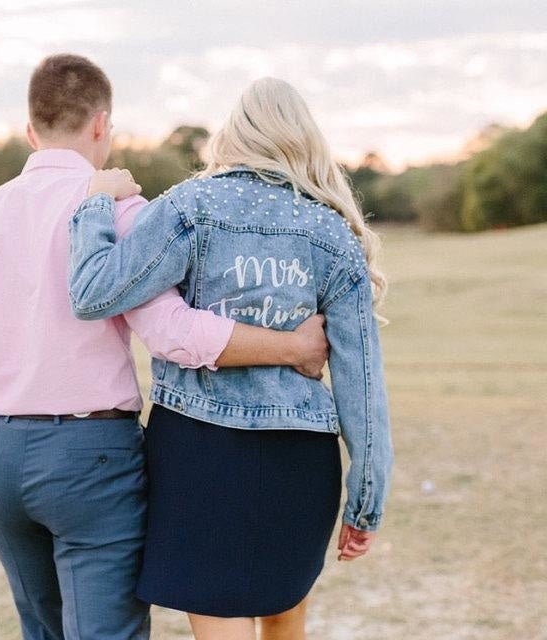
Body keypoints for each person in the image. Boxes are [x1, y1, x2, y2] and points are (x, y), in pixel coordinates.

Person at [0, 58, 329, 640]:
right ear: (101, 124)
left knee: (42, 629)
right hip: (89, 453)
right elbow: (172, 333)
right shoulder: (121, 212)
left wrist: (5, 430)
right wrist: (291, 347)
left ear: (30, 131)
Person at [69, 77, 394, 640]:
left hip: (198, 450)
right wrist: (366, 500)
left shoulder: (191, 207)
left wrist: (96, 203)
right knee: (284, 606)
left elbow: (95, 291)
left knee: (219, 610)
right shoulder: (332, 232)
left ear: (233, 135)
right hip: (302, 455)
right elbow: (363, 386)